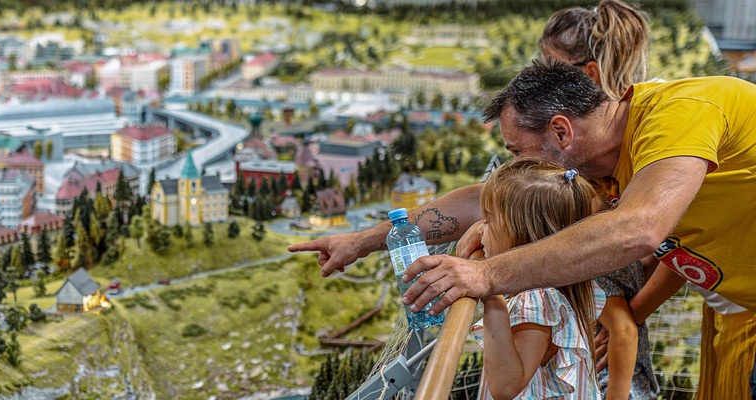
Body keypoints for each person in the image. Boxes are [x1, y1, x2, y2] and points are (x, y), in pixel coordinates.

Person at [288, 59, 756, 397]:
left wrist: (486, 276)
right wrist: (363, 240)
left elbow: (639, 229)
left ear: (560, 132)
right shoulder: (602, 165)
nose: (513, 166)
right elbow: (486, 196)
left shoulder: (681, 114)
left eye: (516, 152)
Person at [539, 2, 664, 398]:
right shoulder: (606, 138)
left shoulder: (650, 132)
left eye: (550, 70)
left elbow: (680, 247)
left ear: (589, 74)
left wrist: (628, 319)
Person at [473, 158, 601, 400]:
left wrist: (489, 291)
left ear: (521, 232)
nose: (480, 230)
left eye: (488, 221)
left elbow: (506, 386)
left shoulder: (535, 298)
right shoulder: (562, 285)